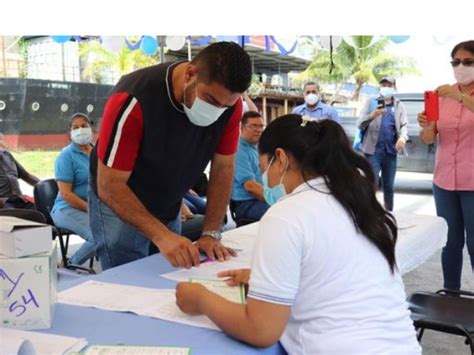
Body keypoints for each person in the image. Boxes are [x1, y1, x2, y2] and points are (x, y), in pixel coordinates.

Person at [176, 115, 421, 354]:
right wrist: (275, 279)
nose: (266, 179)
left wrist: (201, 299)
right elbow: (337, 274)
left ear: (280, 159)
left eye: (264, 168)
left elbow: (261, 330)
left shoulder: (287, 214)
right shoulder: (357, 202)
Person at [89, 41, 252, 270]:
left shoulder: (230, 108)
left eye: (225, 106)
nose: (217, 112)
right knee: (128, 277)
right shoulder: (133, 99)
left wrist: (211, 232)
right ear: (190, 74)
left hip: (169, 200)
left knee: (170, 272)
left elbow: (223, 168)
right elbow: (110, 185)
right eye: (211, 101)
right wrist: (161, 236)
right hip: (120, 199)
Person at [417, 40, 474, 291]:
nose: (460, 67)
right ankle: (450, 295)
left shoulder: (453, 95)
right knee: (449, 241)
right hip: (444, 180)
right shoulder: (443, 96)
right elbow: (429, 138)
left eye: (468, 62)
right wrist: (427, 126)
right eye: (456, 62)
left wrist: (460, 97)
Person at [357, 76, 409, 211]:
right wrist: (371, 115)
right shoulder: (371, 102)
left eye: (389, 85)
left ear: (394, 87)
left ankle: (389, 213)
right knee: (371, 184)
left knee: (389, 186)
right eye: (383, 84)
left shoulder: (399, 105)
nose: (386, 87)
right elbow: (359, 124)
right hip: (373, 152)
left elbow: (404, 125)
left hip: (390, 152)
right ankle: (369, 214)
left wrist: (403, 138)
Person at [51, 113, 96, 266]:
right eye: (75, 127)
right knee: (99, 237)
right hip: (66, 208)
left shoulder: (99, 153)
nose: (80, 130)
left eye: (84, 126)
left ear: (92, 128)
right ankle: (70, 265)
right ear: (69, 134)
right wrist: (92, 209)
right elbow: (66, 194)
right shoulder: (66, 156)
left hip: (93, 208)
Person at [231, 111, 269, 221]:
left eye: (261, 126)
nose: (258, 130)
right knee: (282, 212)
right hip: (246, 203)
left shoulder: (258, 148)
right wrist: (275, 199)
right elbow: (250, 187)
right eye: (253, 126)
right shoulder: (239, 150)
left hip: (261, 199)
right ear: (242, 127)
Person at [0, 136, 40, 209]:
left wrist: (44, 186)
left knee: (42, 213)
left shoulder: (6, 155)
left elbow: (27, 176)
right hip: (4, 204)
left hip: (18, 200)